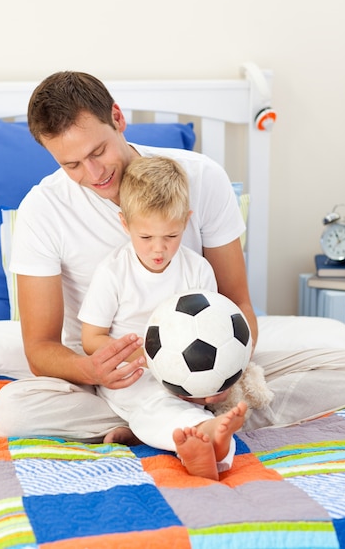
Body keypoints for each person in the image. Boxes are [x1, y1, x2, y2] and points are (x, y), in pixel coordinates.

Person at [0, 70, 345, 441]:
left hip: (203, 364)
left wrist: (222, 373)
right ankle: (187, 422)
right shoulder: (43, 210)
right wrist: (94, 372)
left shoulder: (201, 178)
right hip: (109, 379)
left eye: (98, 151)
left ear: (117, 118)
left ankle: (167, 422)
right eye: (72, 165)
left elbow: (237, 302)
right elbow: (40, 350)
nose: (93, 173)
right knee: (9, 414)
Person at [79, 155, 247, 480]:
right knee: (151, 404)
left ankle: (177, 433)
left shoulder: (197, 269)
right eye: (146, 238)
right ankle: (209, 438)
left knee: (186, 399)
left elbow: (213, 330)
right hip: (132, 375)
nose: (159, 249)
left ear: (186, 221)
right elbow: (91, 338)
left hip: (185, 373)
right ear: (125, 224)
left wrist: (215, 379)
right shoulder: (113, 273)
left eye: (170, 236)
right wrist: (141, 355)